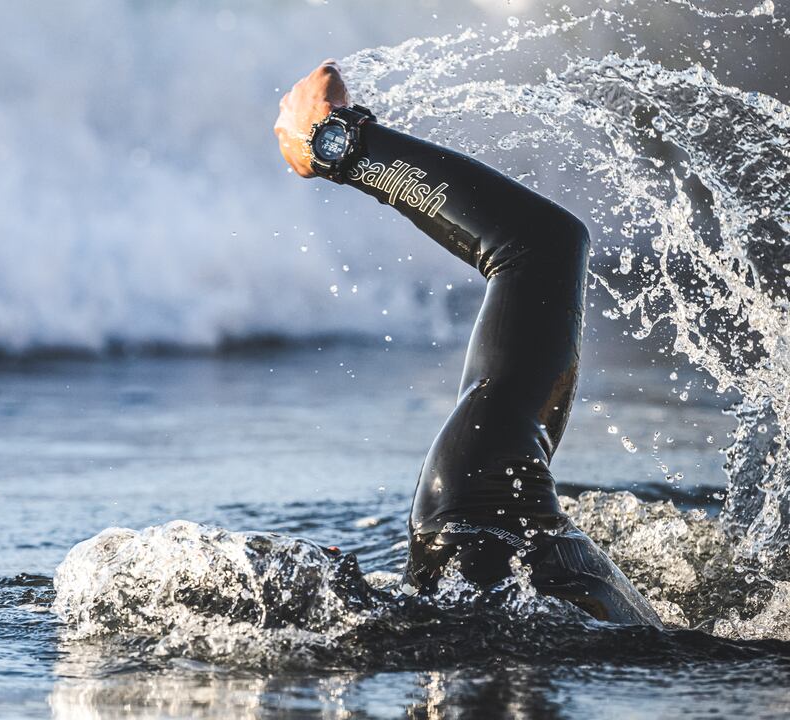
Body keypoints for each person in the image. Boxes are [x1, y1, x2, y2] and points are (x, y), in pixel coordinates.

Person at [273, 61, 662, 626]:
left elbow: (540, 244)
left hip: (479, 524)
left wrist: (336, 141)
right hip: (492, 575)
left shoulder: (484, 529)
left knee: (542, 250)